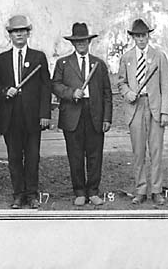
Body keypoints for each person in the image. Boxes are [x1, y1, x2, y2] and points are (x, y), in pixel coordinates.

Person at [0, 14, 52, 209]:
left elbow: (45, 87)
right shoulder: (1, 59)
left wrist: (45, 114)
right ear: (10, 35)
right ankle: (18, 194)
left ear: (28, 34)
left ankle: (32, 194)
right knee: (14, 157)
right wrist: (4, 91)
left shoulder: (38, 57)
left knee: (33, 157)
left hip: (33, 117)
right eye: (15, 31)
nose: (19, 34)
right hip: (10, 117)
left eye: (23, 31)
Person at [51, 22, 112, 207]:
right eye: (78, 41)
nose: (81, 44)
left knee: (95, 155)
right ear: (73, 43)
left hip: (94, 115)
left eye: (84, 40)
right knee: (75, 155)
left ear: (89, 41)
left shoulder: (99, 64)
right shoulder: (63, 63)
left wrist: (106, 118)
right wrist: (71, 93)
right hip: (72, 115)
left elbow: (106, 94)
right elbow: (55, 85)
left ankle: (93, 191)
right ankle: (79, 191)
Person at [114, 18, 168, 205]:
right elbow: (121, 82)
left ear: (148, 35)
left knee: (156, 151)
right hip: (135, 107)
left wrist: (165, 112)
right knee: (138, 152)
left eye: (144, 35)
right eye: (137, 36)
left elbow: (165, 85)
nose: (141, 39)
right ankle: (141, 189)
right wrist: (128, 93)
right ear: (133, 37)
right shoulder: (127, 58)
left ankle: (156, 190)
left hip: (154, 106)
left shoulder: (159, 56)